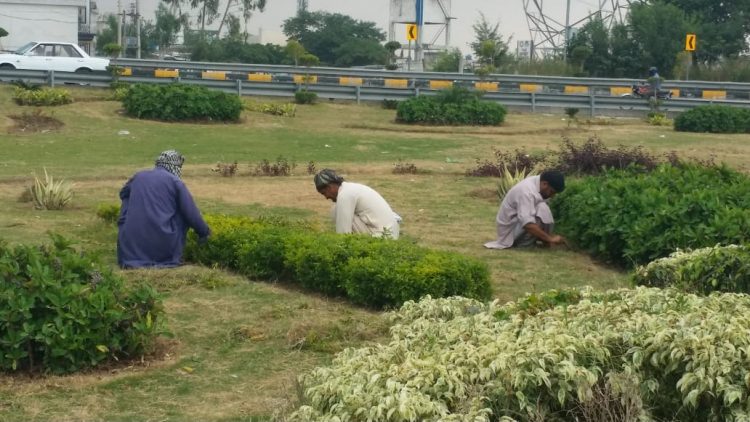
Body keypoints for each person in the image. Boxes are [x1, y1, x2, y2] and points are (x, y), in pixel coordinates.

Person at [117, 150, 211, 268]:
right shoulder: (174, 182)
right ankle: (169, 256)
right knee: (181, 213)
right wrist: (204, 233)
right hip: (162, 246)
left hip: (129, 248)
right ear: (175, 166)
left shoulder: (139, 176)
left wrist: (125, 216)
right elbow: (191, 213)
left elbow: (123, 194)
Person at [484, 170, 566, 249]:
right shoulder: (526, 192)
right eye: (552, 192)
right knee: (542, 209)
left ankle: (545, 242)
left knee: (542, 208)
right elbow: (527, 224)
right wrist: (550, 238)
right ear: (545, 184)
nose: (552, 196)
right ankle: (523, 244)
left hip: (516, 224)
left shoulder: (538, 182)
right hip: (509, 232)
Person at [314, 168, 400, 239]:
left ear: (330, 187)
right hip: (390, 233)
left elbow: (343, 233)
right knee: (336, 209)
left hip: (383, 237)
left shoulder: (345, 195)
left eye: (324, 193)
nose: (326, 197)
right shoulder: (351, 188)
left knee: (336, 211)